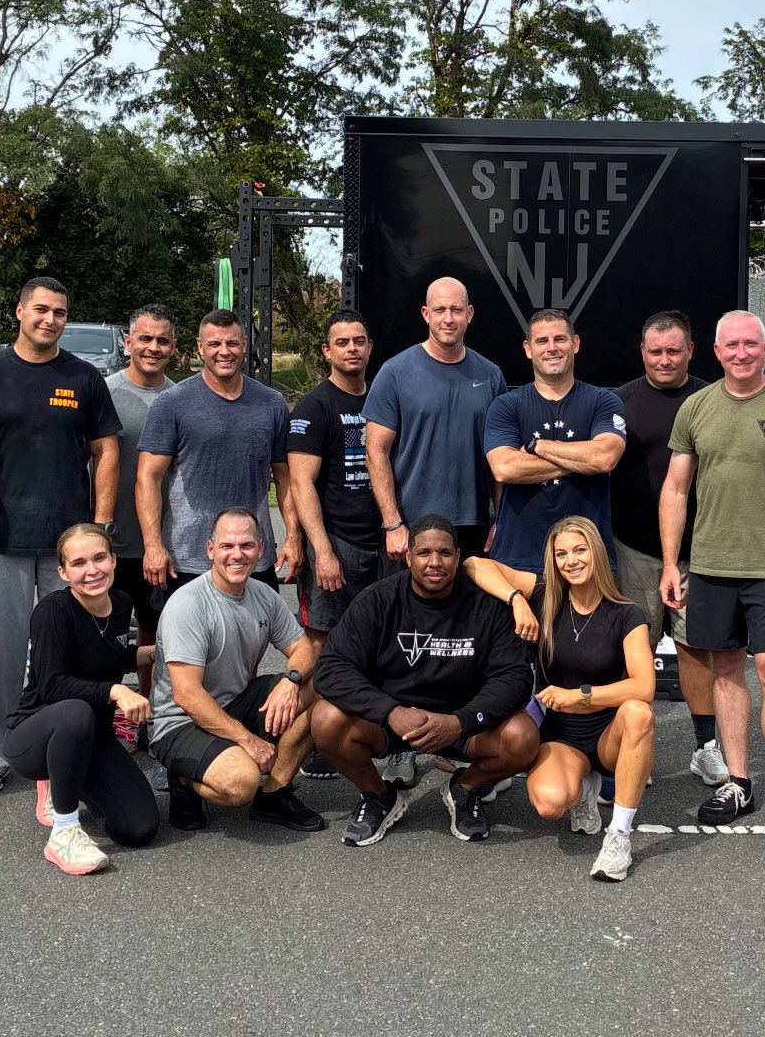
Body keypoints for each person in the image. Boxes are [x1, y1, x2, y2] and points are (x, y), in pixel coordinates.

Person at [659, 309, 765, 853]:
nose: (741, 353)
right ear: (715, 351)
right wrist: (671, 562)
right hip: (710, 566)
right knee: (727, 673)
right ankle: (740, 783)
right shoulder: (696, 407)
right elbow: (676, 489)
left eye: (750, 345)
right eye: (731, 345)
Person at [0, 277, 120, 791]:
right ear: (19, 312)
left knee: (68, 649)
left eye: (59, 312)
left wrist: (99, 526)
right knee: (3, 651)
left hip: (67, 543)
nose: (50, 320)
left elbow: (106, 452)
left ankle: (70, 740)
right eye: (41, 310)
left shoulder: (84, 376)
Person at [310, 515, 538, 847]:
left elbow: (516, 677)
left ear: (458, 557)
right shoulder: (378, 600)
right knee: (326, 719)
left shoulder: (487, 605)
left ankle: (466, 788)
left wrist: (461, 721)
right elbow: (331, 668)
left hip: (462, 725)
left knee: (523, 736)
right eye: (424, 553)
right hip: (393, 723)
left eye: (445, 553)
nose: (435, 562)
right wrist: (389, 711)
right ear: (408, 557)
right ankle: (377, 796)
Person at [363, 278, 506, 788]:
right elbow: (375, 449)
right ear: (426, 313)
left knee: (467, 636)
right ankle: (396, 745)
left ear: (471, 314)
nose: (449, 319)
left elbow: (498, 457)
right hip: (413, 530)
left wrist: (497, 520)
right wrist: (393, 522)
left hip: (470, 527)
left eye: (457, 310)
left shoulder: (490, 375)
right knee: (401, 640)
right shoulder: (396, 372)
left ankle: (459, 740)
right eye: (439, 310)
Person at [464, 516, 655, 882]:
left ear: (597, 553)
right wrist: (516, 599)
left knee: (638, 713)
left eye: (580, 550)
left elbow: (643, 686)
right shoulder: (544, 597)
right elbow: (474, 564)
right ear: (553, 561)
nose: (572, 561)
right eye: (562, 554)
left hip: (608, 734)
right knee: (551, 804)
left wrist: (580, 695)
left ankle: (618, 836)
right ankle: (583, 788)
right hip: (561, 733)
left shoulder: (626, 614)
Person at [148, 508, 323, 833]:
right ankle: (184, 778)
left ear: (259, 549)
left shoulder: (263, 596)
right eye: (227, 546)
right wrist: (249, 742)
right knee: (242, 782)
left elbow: (304, 649)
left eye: (245, 546)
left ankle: (275, 794)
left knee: (325, 684)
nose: (237, 555)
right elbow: (186, 695)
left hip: (236, 702)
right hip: (179, 722)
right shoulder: (189, 605)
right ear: (211, 550)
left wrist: (292, 680)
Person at [611, 310, 726, 788]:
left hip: (700, 548)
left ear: (691, 351)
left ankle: (705, 748)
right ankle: (631, 750)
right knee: (630, 652)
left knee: (695, 649)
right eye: (655, 352)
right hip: (633, 546)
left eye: (673, 351)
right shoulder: (616, 402)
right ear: (642, 353)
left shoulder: (712, 399)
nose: (664, 360)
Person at [4, 524, 159, 874]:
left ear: (114, 559)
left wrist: (158, 654)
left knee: (138, 828)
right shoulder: (52, 611)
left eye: (100, 558)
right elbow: (52, 686)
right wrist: (115, 690)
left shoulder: (120, 603)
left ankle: (68, 779)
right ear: (63, 572)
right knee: (75, 712)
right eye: (79, 563)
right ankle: (64, 830)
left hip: (92, 736)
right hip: (36, 736)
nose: (92, 570)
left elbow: (110, 654)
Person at [136, 309, 299, 598]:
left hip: (252, 555)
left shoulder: (271, 404)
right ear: (200, 347)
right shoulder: (171, 404)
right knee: (187, 643)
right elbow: (148, 478)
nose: (224, 352)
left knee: (254, 639)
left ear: (245, 345)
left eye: (232, 344)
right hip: (188, 557)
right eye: (214, 344)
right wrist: (153, 546)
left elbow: (286, 478)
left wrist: (293, 537)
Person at [288, 311, 384, 780]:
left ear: (370, 347)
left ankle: (354, 731)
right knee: (324, 646)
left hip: (383, 542)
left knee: (375, 644)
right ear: (326, 351)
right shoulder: (314, 406)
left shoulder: (384, 398)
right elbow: (301, 485)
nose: (352, 349)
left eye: (359, 341)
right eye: (341, 342)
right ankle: (302, 740)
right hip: (337, 544)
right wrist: (320, 551)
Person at [485, 309, 627, 572]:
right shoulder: (505, 406)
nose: (551, 348)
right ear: (528, 349)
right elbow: (504, 468)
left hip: (586, 559)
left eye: (560, 339)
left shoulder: (604, 402)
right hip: (519, 557)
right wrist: (583, 460)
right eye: (542, 341)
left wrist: (536, 446)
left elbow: (605, 458)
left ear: (575, 344)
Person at [105, 306, 177, 693]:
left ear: (174, 347)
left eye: (162, 340)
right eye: (145, 339)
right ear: (127, 342)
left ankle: (146, 715)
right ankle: (103, 710)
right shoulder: (105, 393)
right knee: (107, 628)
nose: (153, 347)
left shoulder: (184, 397)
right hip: (113, 538)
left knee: (155, 627)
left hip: (161, 541)